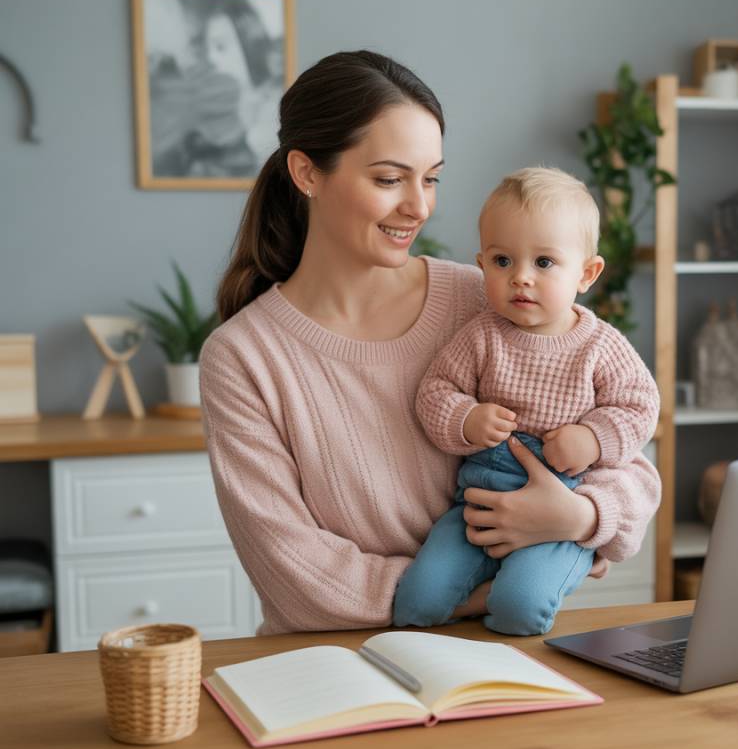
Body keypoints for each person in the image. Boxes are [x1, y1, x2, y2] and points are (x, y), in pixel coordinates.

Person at [200, 50, 661, 635]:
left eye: (431, 178)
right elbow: (294, 574)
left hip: (493, 656)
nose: (418, 206)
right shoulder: (244, 357)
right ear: (307, 172)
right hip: (336, 663)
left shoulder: (488, 299)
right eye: (389, 179)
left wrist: (580, 514)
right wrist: (470, 595)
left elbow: (632, 466)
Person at [392, 167, 660, 635]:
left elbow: (640, 407)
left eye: (543, 263)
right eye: (502, 261)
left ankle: (525, 645)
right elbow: (434, 392)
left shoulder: (600, 345)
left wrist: (593, 439)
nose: (520, 278)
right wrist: (467, 418)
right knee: (418, 600)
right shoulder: (481, 336)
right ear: (481, 265)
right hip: (479, 503)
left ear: (587, 273)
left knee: (521, 607)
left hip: (563, 503)